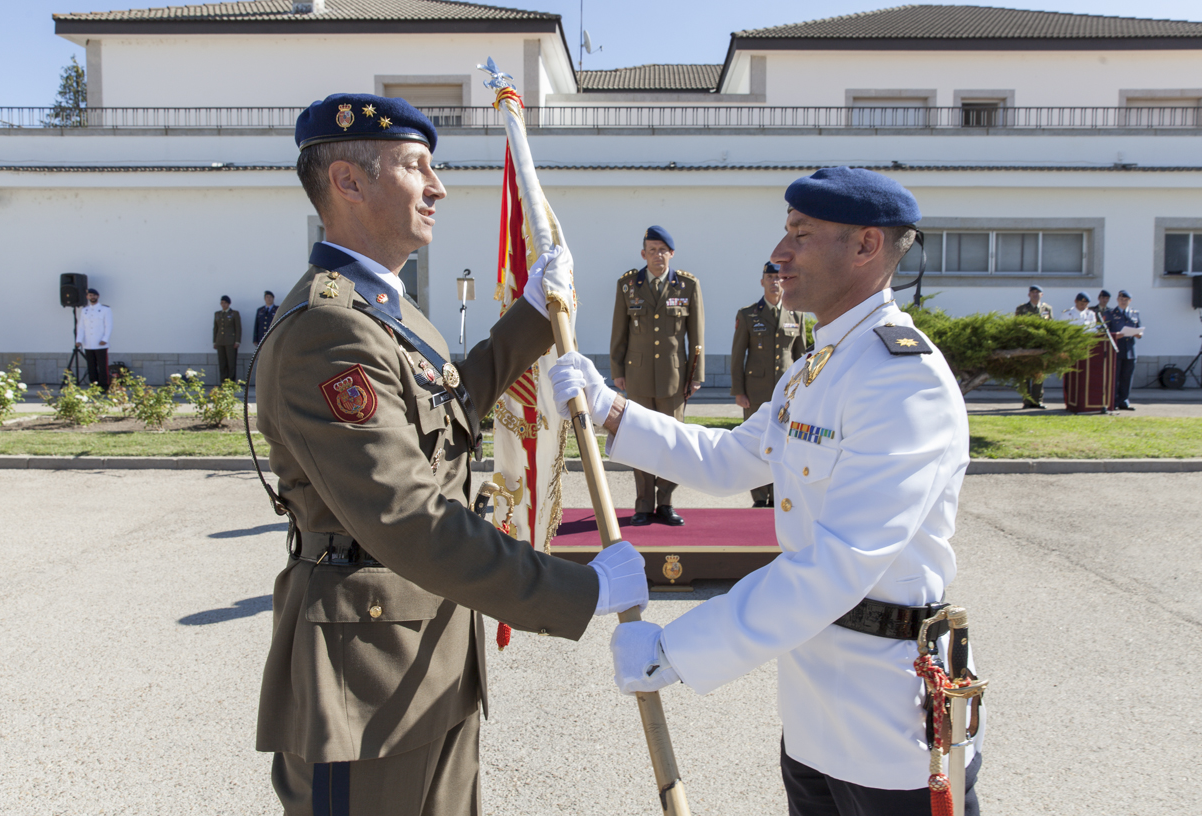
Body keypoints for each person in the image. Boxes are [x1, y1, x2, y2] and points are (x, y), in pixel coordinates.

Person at [253, 93, 646, 816]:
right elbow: (406, 514)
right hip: (366, 678)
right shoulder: (329, 330)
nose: (437, 186)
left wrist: (532, 314)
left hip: (428, 655)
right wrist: (579, 592)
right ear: (348, 181)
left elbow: (451, 411)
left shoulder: (386, 315)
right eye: (415, 167)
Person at [550, 167, 981, 816]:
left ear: (865, 247)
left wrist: (677, 648)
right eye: (785, 233)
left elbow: (838, 562)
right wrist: (611, 410)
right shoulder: (815, 370)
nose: (779, 255)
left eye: (800, 235)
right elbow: (727, 460)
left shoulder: (901, 380)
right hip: (813, 712)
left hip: (886, 718)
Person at [609, 224, 705, 526]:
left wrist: (696, 375)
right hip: (636, 377)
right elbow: (619, 333)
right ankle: (642, 505)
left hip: (674, 379)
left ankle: (665, 503)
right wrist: (617, 371)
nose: (657, 255)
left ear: (671, 254)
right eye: (652, 250)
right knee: (639, 441)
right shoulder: (628, 285)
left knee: (671, 442)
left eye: (663, 250)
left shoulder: (687, 286)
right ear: (643, 253)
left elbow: (696, 336)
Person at [731, 261, 810, 507]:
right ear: (762, 281)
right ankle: (759, 497)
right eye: (770, 277)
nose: (775, 281)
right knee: (756, 444)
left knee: (784, 442)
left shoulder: (796, 314)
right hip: (755, 391)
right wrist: (739, 391)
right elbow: (737, 355)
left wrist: (806, 391)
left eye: (778, 277)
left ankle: (778, 495)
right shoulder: (748, 314)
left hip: (788, 393)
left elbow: (802, 357)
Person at [1015, 285, 1053, 408]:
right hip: (1026, 345)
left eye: (1038, 292)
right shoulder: (1022, 309)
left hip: (1040, 346)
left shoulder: (1046, 309)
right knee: (1026, 374)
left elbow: (1050, 326)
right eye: (1033, 292)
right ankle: (1026, 401)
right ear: (1029, 295)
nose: (1035, 294)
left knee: (1039, 374)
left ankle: (1037, 401)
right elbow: (1017, 326)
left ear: (1042, 295)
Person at [1108, 289, 1144, 410]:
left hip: (1130, 351)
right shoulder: (1111, 313)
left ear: (1130, 301)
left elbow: (1139, 329)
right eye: (1121, 299)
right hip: (1117, 349)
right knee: (1115, 377)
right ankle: (1113, 401)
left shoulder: (1134, 313)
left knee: (1127, 377)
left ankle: (1124, 400)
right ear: (1117, 300)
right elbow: (1105, 332)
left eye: (1126, 300)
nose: (1123, 302)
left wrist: (1138, 334)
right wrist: (1115, 335)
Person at [75, 287, 112, 391]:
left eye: (94, 295)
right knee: (91, 366)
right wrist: (79, 340)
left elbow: (108, 325)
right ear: (87, 297)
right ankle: (94, 386)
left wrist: (105, 338)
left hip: (100, 343)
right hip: (89, 343)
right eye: (90, 295)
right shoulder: (85, 310)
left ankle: (104, 386)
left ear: (98, 296)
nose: (92, 297)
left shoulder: (105, 309)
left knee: (102, 366)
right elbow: (81, 326)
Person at [213, 295, 241, 383]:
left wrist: (237, 341)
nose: (223, 304)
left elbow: (238, 328)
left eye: (225, 303)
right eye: (222, 303)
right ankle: (223, 381)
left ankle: (231, 382)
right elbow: (215, 328)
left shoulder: (234, 313)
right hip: (220, 341)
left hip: (230, 341)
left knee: (231, 363)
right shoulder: (217, 314)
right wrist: (214, 341)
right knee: (222, 363)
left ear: (229, 303)